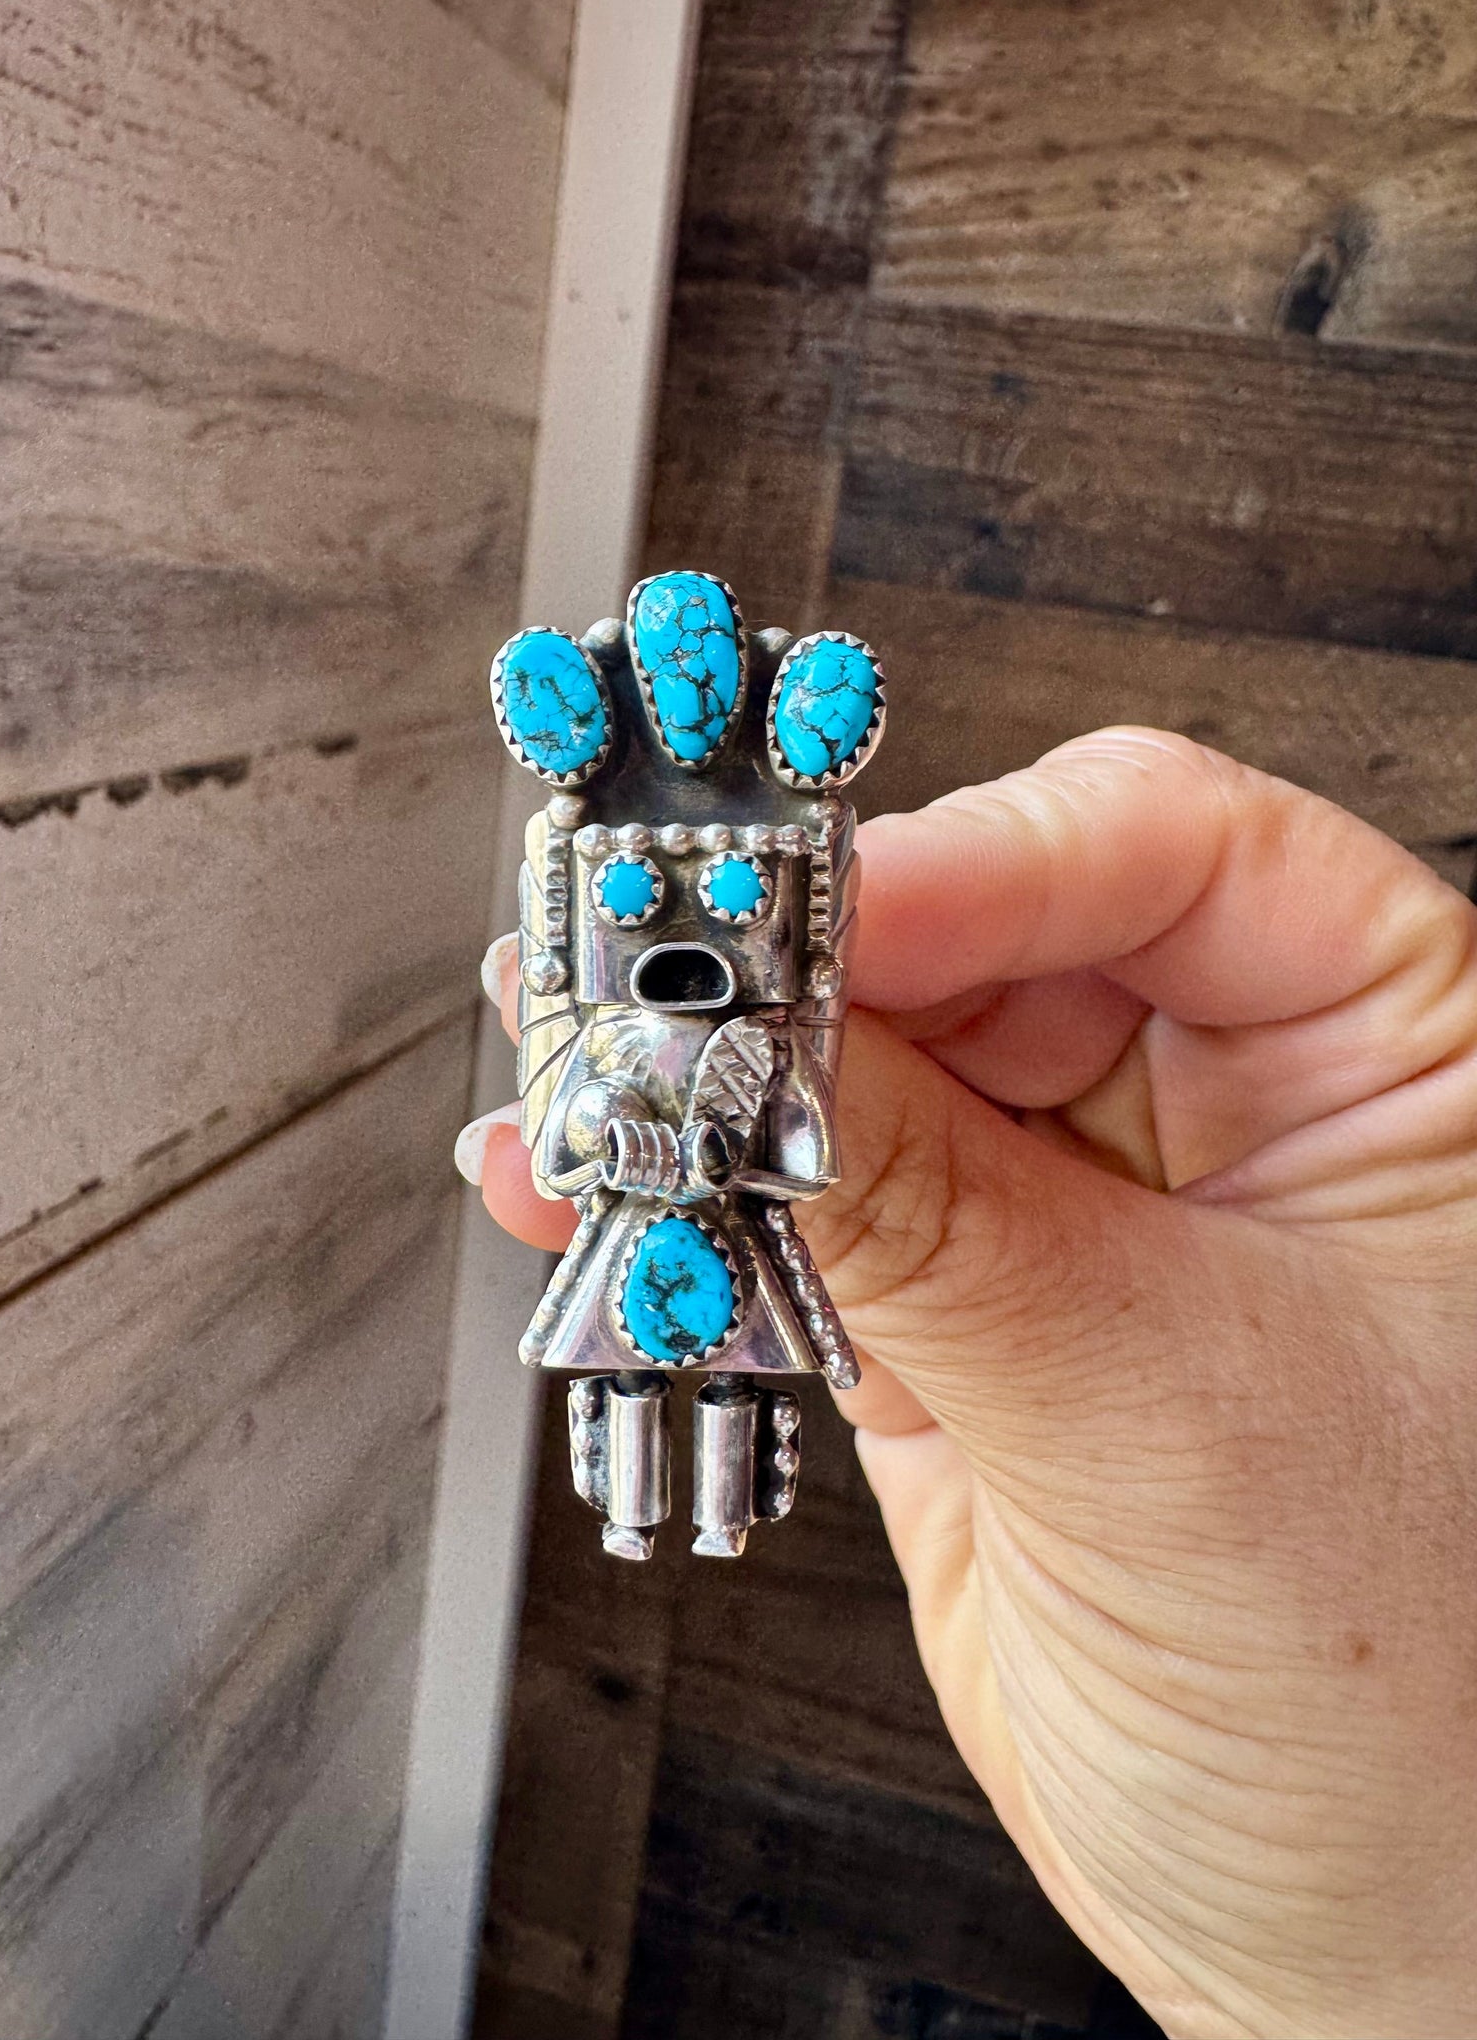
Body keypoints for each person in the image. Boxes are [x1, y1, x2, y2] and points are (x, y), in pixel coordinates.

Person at [457, 728, 1477, 2040]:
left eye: (719, 910)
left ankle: (699, 1502)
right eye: (644, 910)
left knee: (727, 1378)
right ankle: (637, 1495)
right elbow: (580, 1125)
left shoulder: (769, 1038)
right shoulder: (621, 1014)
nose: (685, 940)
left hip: (722, 1236)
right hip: (656, 1237)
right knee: (628, 1372)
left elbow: (813, 1143)